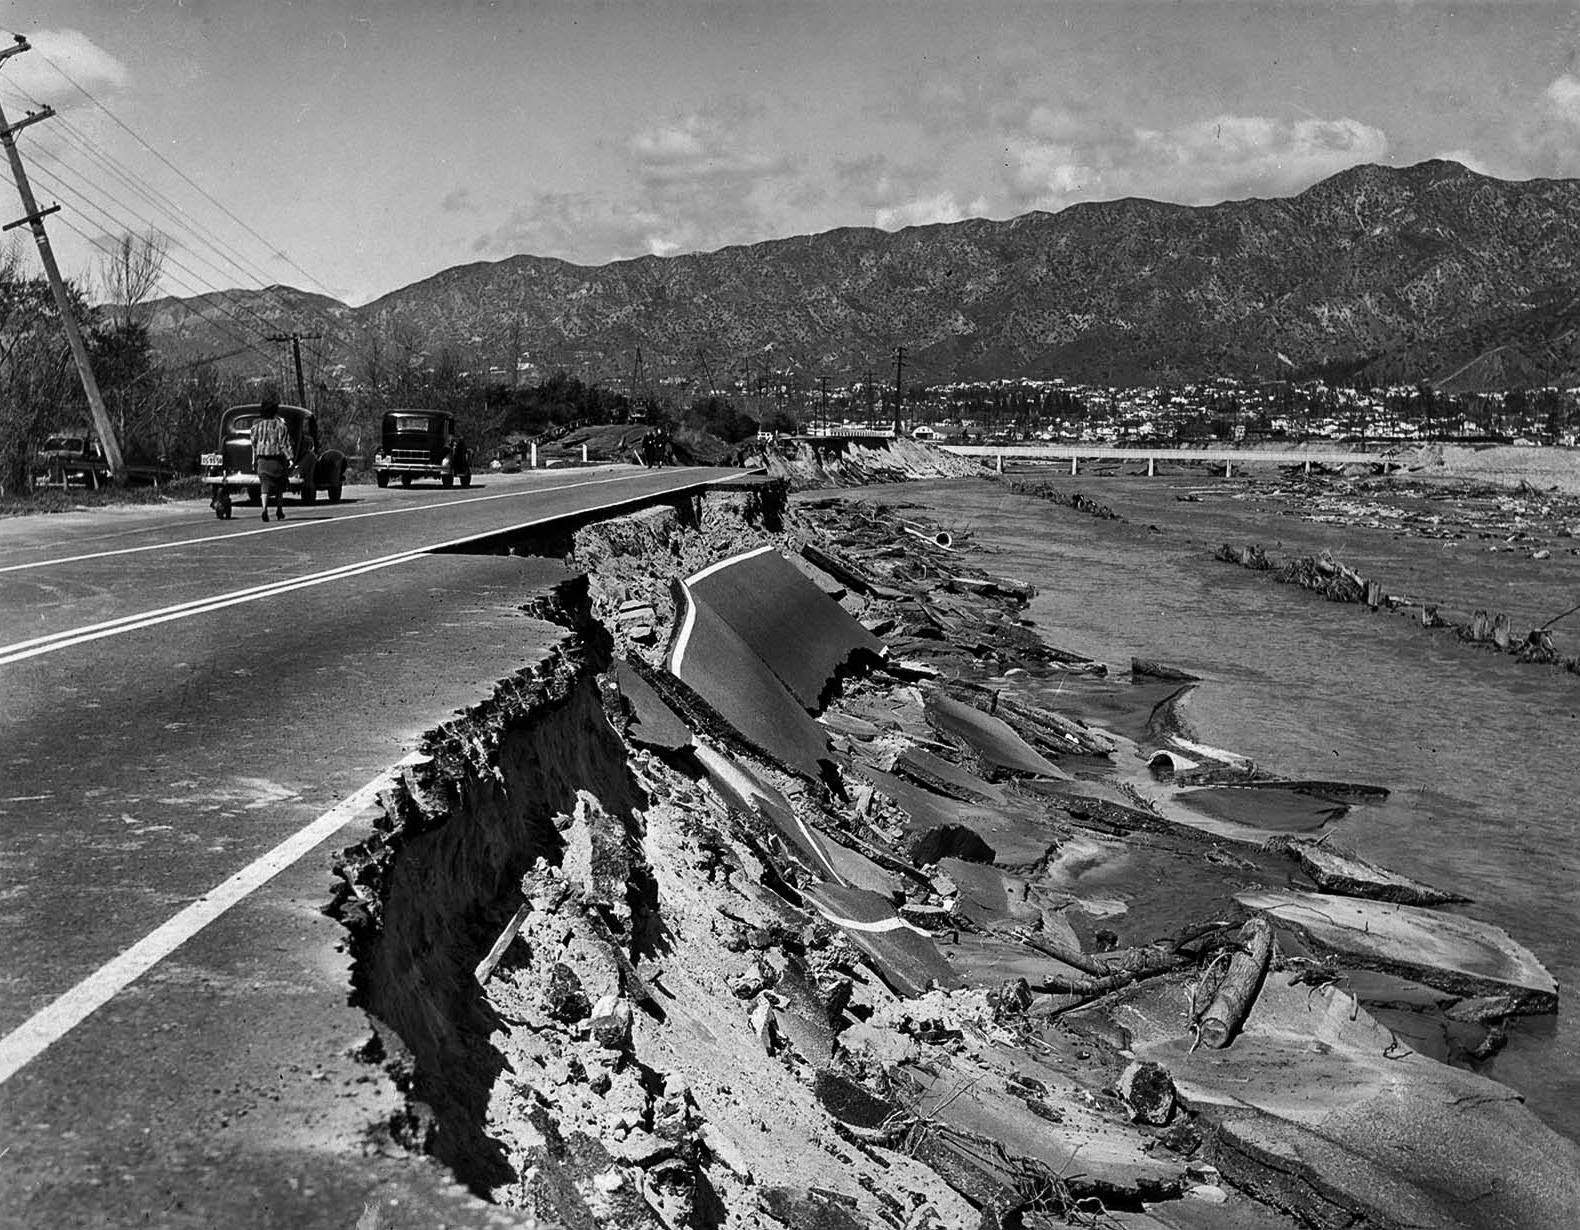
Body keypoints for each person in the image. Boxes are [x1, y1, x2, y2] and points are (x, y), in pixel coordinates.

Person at [250, 393, 294, 522]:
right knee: (280, 485)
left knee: (264, 485)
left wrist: (253, 460)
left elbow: (253, 444)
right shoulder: (281, 427)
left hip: (262, 460)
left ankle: (264, 508)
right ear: (275, 411)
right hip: (277, 461)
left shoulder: (256, 427)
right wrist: (290, 459)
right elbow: (284, 444)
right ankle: (279, 510)